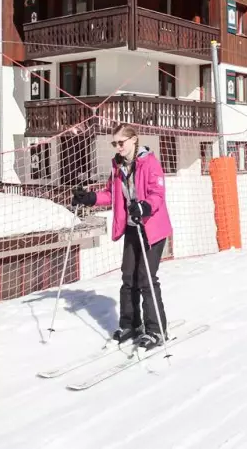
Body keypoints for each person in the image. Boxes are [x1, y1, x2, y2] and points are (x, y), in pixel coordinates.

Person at [70, 124, 172, 350]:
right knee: (128, 277)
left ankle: (156, 329)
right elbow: (111, 194)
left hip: (151, 228)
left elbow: (158, 194)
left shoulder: (150, 162)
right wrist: (90, 199)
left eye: (121, 143)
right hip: (131, 226)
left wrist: (144, 206)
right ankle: (130, 324)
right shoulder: (117, 165)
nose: (117, 147)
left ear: (133, 140)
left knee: (146, 278)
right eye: (114, 143)